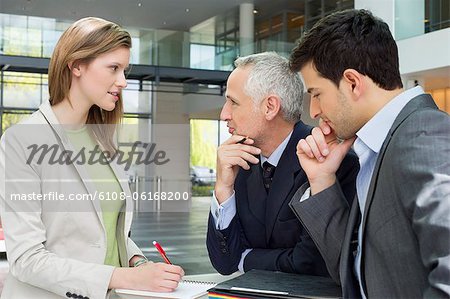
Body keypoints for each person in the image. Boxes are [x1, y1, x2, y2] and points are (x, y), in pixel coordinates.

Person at [0, 17, 184, 299]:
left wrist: (138, 263)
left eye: (124, 70)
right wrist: (126, 277)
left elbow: (107, 230)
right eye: (113, 68)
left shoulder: (102, 139)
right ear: (76, 65)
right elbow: (26, 259)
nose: (123, 81)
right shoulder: (21, 141)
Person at [289, 9, 450, 298]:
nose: (313, 111)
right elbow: (354, 271)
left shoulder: (423, 134)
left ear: (352, 82)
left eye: (316, 94)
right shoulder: (377, 147)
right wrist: (322, 180)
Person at [206, 52, 359, 276]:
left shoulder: (329, 159)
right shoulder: (241, 163)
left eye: (233, 102)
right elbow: (224, 262)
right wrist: (223, 188)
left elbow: (311, 263)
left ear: (270, 107)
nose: (224, 114)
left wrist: (245, 258)